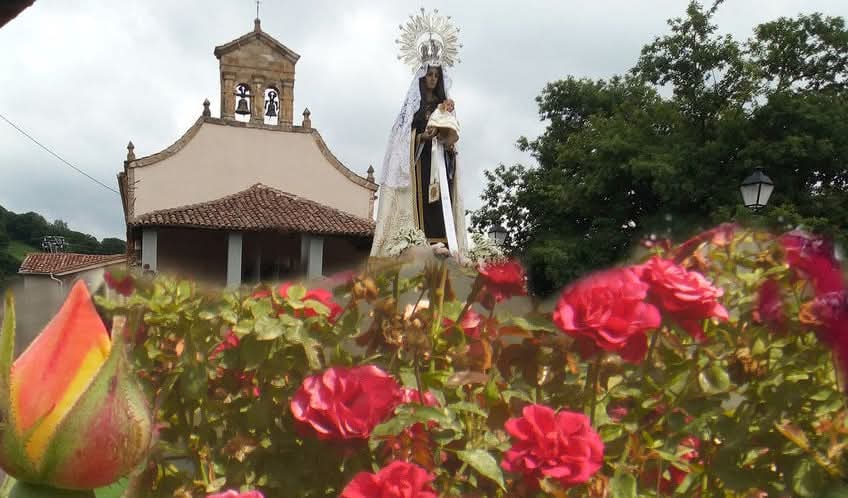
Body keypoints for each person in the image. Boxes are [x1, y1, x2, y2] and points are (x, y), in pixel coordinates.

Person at [370, 63, 467, 257]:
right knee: (423, 199)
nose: (432, 79)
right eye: (429, 74)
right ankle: (421, 242)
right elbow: (402, 136)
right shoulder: (414, 105)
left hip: (439, 162)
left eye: (436, 76)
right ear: (422, 77)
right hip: (420, 162)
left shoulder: (444, 105)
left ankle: (444, 241)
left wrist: (448, 144)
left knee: (441, 201)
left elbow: (451, 132)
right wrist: (422, 137)